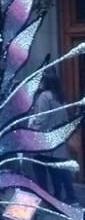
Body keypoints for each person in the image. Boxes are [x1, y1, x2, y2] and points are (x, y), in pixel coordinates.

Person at [31, 70, 79, 205]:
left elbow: (42, 119)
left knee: (40, 168)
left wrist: (30, 128)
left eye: (40, 81)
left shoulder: (44, 97)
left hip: (44, 140)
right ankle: (67, 196)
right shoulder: (60, 96)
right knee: (59, 168)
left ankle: (46, 197)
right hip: (59, 138)